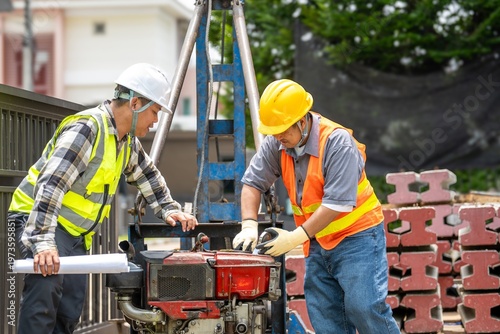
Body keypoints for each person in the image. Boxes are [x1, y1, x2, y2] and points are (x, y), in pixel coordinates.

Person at [7, 63, 198, 334]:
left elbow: (147, 175)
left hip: (71, 233)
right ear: (134, 103)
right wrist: (42, 242)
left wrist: (169, 208)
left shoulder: (126, 140)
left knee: (69, 308)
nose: (155, 120)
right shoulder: (88, 128)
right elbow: (51, 183)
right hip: (39, 223)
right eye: (154, 111)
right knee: (44, 298)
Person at [232, 79, 399, 334]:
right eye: (274, 130)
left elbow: (336, 205)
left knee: (364, 308)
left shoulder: (336, 143)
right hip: (318, 241)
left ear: (302, 120)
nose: (278, 136)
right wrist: (249, 224)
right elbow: (252, 184)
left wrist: (295, 238)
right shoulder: (277, 143)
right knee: (326, 318)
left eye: (284, 129)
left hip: (358, 237)